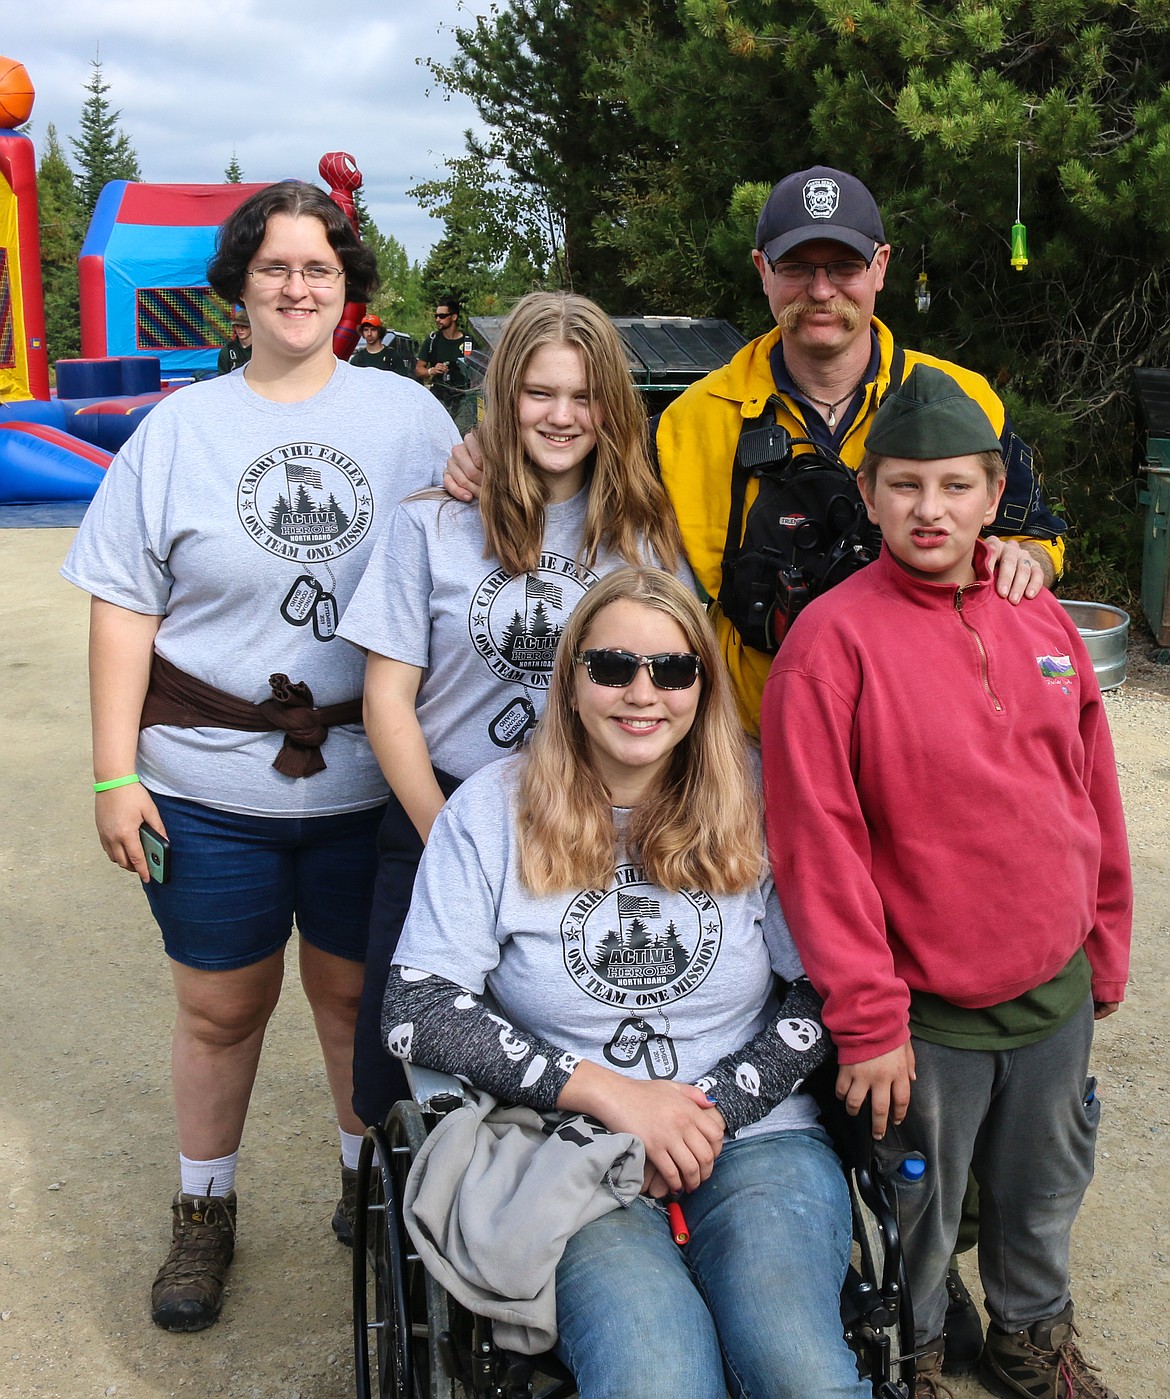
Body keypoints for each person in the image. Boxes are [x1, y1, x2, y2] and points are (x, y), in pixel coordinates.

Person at [60, 180, 459, 1334]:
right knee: (222, 1008)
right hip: (206, 779)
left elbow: (476, 543)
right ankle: (205, 1209)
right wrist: (111, 771)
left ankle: (363, 1186)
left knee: (354, 996)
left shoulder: (408, 419)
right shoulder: (180, 430)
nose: (297, 287)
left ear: (350, 292)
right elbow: (124, 607)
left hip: (365, 775)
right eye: (275, 268)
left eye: (320, 269)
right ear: (238, 290)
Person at [382, 566, 872, 1399]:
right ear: (570, 681)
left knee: (799, 1368)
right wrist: (613, 1097)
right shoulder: (490, 812)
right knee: (658, 1377)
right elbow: (415, 1008)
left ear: (701, 686)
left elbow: (828, 989)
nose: (642, 693)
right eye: (612, 667)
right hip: (563, 1150)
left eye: (673, 669)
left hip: (757, 1139)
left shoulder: (757, 794)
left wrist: (702, 1112)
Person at [761, 366, 1132, 1399]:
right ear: (870, 492)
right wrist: (870, 1019)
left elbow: (1090, 790)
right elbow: (817, 847)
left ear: (991, 495)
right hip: (925, 1013)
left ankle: (1028, 1331)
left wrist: (1103, 937)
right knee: (917, 1200)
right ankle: (913, 1347)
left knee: (1044, 1184)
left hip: (1052, 988)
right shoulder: (830, 644)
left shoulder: (1041, 618)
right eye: (907, 485)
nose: (932, 510)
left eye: (958, 486)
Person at [445, 166, 1067, 739]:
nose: (821, 290)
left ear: (880, 267)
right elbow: (584, 484)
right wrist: (490, 453)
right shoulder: (689, 424)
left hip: (930, 725)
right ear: (762, 270)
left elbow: (1034, 528)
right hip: (752, 739)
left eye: (843, 266)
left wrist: (1027, 557)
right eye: (796, 267)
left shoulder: (962, 401)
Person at [338, 290, 686, 1130]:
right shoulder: (431, 523)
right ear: (502, 399)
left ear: (612, 403)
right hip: (444, 803)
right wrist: (445, 829)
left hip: (597, 823)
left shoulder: (643, 533)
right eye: (538, 392)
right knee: (408, 1059)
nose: (561, 415)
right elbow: (387, 696)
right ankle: (409, 1212)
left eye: (582, 394)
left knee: (563, 1044)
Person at [416, 294, 474, 424]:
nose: (437, 319)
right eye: (436, 316)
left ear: (454, 317)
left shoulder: (468, 342)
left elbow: (480, 369)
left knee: (461, 438)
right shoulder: (433, 340)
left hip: (463, 400)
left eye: (442, 316)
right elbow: (419, 370)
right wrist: (432, 371)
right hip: (439, 398)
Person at [216, 306, 251, 374]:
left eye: (244, 326)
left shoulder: (261, 350)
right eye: (237, 326)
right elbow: (223, 378)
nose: (240, 329)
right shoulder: (227, 351)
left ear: (252, 326)